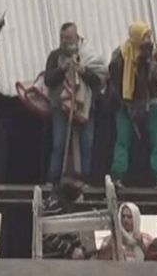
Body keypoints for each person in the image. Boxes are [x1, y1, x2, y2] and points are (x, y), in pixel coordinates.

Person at [107, 21, 157, 191]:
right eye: (145, 36)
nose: (148, 39)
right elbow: (113, 80)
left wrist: (148, 60)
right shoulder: (121, 54)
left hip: (151, 102)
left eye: (149, 36)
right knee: (122, 140)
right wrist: (122, 102)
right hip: (126, 104)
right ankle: (117, 176)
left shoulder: (155, 52)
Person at [43, 23, 108, 183]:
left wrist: (84, 71)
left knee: (87, 143)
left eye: (68, 37)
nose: (64, 41)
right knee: (59, 143)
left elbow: (98, 81)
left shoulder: (87, 55)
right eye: (62, 37)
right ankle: (53, 179)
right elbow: (48, 80)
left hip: (85, 105)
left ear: (76, 37)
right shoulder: (55, 56)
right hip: (60, 105)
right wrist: (61, 70)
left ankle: (85, 179)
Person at [41, 177, 88, 260]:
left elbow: (70, 233)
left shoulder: (65, 203)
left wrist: (80, 248)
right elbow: (49, 236)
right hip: (56, 258)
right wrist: (71, 250)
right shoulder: (55, 204)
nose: (81, 195)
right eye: (78, 191)